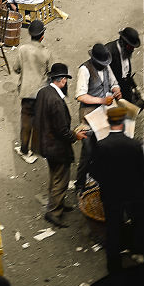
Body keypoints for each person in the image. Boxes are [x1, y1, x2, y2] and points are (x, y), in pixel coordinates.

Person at [88, 104, 144, 272]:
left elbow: (94, 170)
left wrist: (106, 183)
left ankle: (114, 265)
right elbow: (142, 170)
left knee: (113, 227)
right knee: (137, 222)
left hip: (110, 194)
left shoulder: (102, 146)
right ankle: (138, 252)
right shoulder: (134, 145)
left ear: (109, 122)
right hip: (132, 192)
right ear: (123, 122)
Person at [33, 63, 89, 227]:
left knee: (54, 176)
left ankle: (58, 203)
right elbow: (62, 131)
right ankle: (54, 212)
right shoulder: (56, 101)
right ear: (63, 80)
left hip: (45, 143)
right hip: (56, 147)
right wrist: (76, 135)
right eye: (66, 80)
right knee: (61, 180)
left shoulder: (43, 92)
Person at [74, 43, 121, 193]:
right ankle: (80, 184)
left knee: (102, 147)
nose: (104, 66)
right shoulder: (84, 70)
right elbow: (80, 96)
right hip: (88, 115)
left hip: (103, 113)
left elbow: (114, 82)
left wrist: (116, 90)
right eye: (101, 64)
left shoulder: (106, 66)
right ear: (94, 59)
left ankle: (97, 177)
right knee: (87, 151)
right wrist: (101, 100)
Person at [10, 19, 50, 164]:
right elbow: (49, 72)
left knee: (26, 123)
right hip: (41, 92)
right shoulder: (46, 52)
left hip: (27, 92)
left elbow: (16, 69)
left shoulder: (22, 49)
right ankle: (42, 149)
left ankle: (25, 151)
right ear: (42, 36)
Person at [104, 27, 144, 109]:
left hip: (125, 89)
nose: (132, 50)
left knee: (140, 104)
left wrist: (135, 87)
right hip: (112, 93)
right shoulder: (108, 52)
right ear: (123, 43)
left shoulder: (126, 52)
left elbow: (126, 74)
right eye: (130, 47)